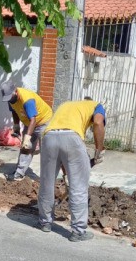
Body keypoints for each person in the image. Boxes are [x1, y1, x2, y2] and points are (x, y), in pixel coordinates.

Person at [37, 98, 106, 242]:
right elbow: (99, 123)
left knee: (46, 183)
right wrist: (99, 151)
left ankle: (45, 223)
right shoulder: (96, 106)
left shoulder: (65, 104)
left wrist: (66, 171)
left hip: (48, 137)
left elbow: (61, 145)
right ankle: (78, 231)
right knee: (79, 187)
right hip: (72, 137)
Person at [0, 81, 53, 181]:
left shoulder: (27, 100)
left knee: (46, 151)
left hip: (44, 121)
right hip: (29, 122)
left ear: (15, 91)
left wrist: (27, 138)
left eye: (10, 96)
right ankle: (19, 173)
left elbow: (34, 120)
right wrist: (16, 126)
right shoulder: (10, 98)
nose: (9, 99)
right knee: (25, 148)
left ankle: (47, 178)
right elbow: (14, 111)